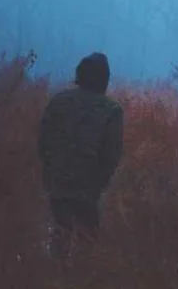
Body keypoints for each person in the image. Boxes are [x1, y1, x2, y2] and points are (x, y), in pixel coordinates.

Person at [37, 52, 124, 260]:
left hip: (57, 182)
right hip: (88, 188)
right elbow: (111, 155)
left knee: (60, 234)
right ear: (104, 78)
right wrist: (99, 184)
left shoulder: (58, 101)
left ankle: (54, 281)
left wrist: (52, 171)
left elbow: (44, 142)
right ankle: (81, 286)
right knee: (88, 242)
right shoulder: (111, 110)